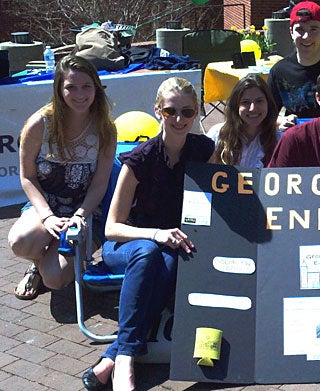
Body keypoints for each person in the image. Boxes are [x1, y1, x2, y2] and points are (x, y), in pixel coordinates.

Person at [81, 77, 214, 391]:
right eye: (171, 111)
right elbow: (112, 227)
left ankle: (114, 355)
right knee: (150, 252)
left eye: (187, 112)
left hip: (172, 247)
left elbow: (215, 200)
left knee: (168, 262)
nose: (179, 119)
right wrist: (156, 234)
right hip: (126, 246)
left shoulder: (204, 150)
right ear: (158, 111)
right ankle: (126, 358)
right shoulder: (140, 159)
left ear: (196, 113)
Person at [9, 55, 117, 300]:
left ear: (96, 88)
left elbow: (100, 184)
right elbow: (27, 177)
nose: (80, 94)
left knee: (55, 279)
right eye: (71, 87)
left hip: (86, 212)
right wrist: (47, 217)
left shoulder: (105, 129)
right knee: (20, 241)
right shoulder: (39, 124)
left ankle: (49, 267)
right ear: (59, 89)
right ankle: (37, 264)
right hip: (46, 207)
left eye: (86, 86)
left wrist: (80, 215)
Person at [267, 1, 320, 130]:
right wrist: (280, 121)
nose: (306, 36)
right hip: (299, 140)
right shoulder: (280, 71)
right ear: (291, 32)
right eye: (300, 30)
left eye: (313, 29)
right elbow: (266, 114)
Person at [208, 74, 281, 168]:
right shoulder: (217, 134)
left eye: (259, 101)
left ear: (268, 103)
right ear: (236, 106)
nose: (253, 109)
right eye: (245, 102)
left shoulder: (279, 140)